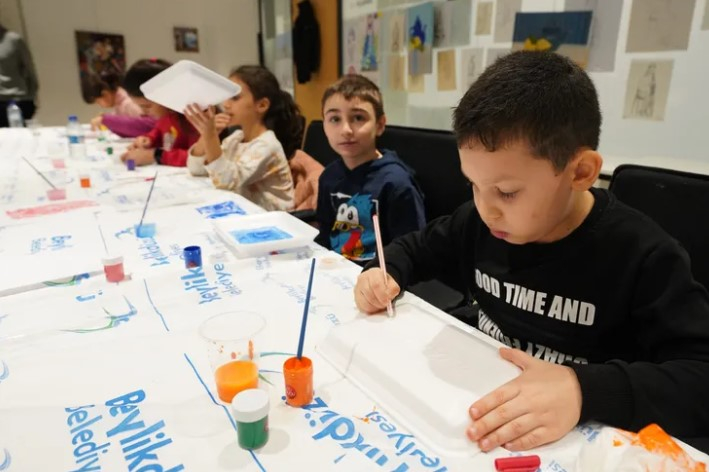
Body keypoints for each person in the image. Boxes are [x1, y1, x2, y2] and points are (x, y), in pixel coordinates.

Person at [354, 51, 709, 453]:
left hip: (575, 440)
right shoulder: (480, 221)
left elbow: (700, 377)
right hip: (474, 411)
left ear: (580, 173)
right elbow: (414, 249)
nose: (487, 208)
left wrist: (583, 389)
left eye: (507, 192)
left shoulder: (642, 256)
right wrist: (382, 272)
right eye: (473, 184)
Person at [315, 74, 425, 264]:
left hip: (380, 278)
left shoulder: (396, 183)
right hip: (336, 270)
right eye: (334, 119)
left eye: (358, 118)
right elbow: (325, 233)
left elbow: (412, 249)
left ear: (380, 125)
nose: (346, 130)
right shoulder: (329, 177)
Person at [185, 65, 301, 211]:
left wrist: (210, 136)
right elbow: (196, 169)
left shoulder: (267, 145)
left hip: (273, 222)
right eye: (226, 97)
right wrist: (206, 134)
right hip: (245, 214)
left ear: (262, 105)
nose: (226, 104)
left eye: (235, 98)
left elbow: (226, 181)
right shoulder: (236, 139)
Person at [120, 59, 198, 167]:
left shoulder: (194, 117)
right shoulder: (167, 115)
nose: (144, 112)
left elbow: (198, 158)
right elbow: (160, 131)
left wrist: (155, 155)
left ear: (166, 95)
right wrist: (149, 139)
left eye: (147, 106)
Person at [82, 71, 145, 135]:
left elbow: (142, 127)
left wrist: (107, 120)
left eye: (98, 102)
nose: (100, 105)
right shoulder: (119, 103)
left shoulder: (129, 103)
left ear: (105, 94)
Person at [0, 23, 38, 126]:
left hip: (16, 101)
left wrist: (32, 98)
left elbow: (30, 69)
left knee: (20, 138)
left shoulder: (14, 40)